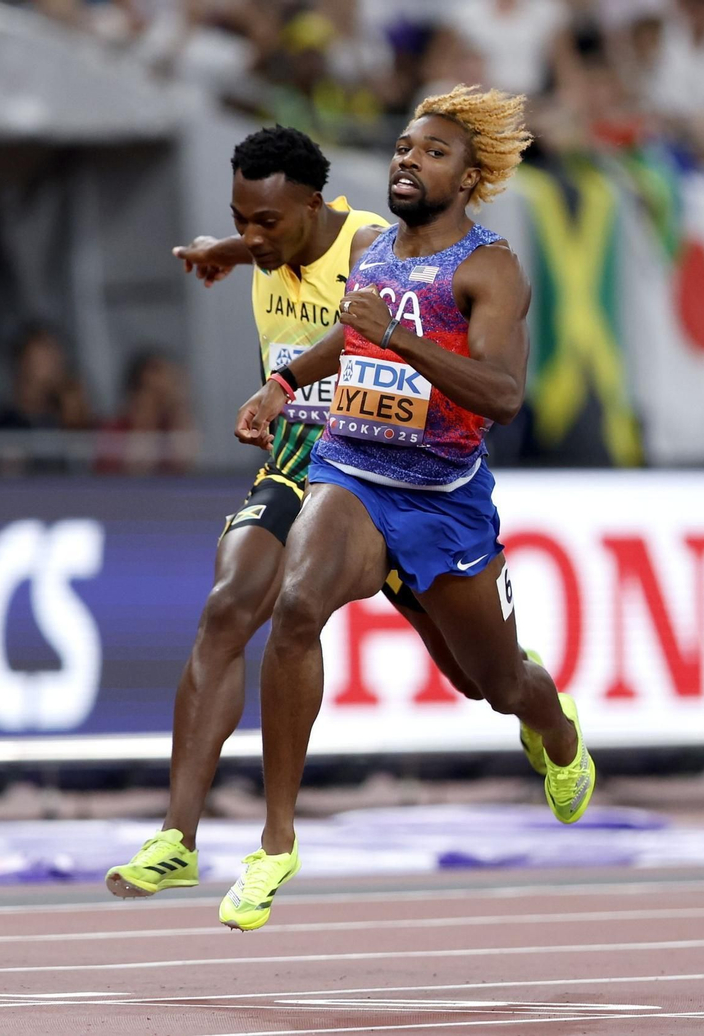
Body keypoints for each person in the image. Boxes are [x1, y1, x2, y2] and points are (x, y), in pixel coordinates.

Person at [104, 125, 538, 902]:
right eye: (242, 218)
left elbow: (470, 357)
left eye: (266, 223)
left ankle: (541, 713)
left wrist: (389, 340)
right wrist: (220, 250)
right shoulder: (265, 241)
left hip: (397, 470)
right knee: (230, 608)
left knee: (482, 682)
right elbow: (263, 241)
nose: (254, 236)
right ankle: (178, 838)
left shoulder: (377, 244)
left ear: (312, 207)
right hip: (305, 462)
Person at [223, 86, 594, 932]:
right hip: (353, 476)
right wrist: (284, 384)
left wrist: (400, 340)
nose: (406, 160)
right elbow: (349, 335)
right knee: (294, 608)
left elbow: (502, 395)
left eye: (431, 153)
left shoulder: (490, 268)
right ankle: (276, 842)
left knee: (491, 685)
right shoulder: (377, 249)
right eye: (401, 147)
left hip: (444, 505)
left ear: (469, 179)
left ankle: (557, 729)